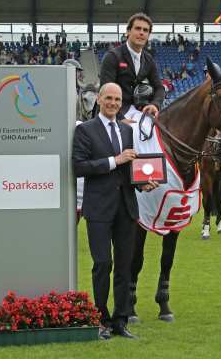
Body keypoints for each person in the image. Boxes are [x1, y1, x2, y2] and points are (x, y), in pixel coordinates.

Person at [72, 82, 158, 340]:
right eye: (108, 98)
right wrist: (114, 161)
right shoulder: (85, 131)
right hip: (98, 208)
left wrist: (143, 182)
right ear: (99, 99)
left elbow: (129, 170)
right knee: (102, 264)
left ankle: (120, 321)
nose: (113, 103)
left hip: (126, 207)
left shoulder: (126, 130)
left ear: (122, 102)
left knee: (123, 265)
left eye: (117, 99)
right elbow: (79, 166)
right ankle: (101, 320)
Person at [99, 12, 164, 122]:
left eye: (145, 30)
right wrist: (119, 119)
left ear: (148, 35)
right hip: (114, 114)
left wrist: (155, 105)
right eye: (138, 28)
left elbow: (159, 88)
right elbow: (105, 92)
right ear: (128, 31)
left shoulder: (149, 60)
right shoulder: (112, 57)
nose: (141, 33)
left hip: (140, 111)